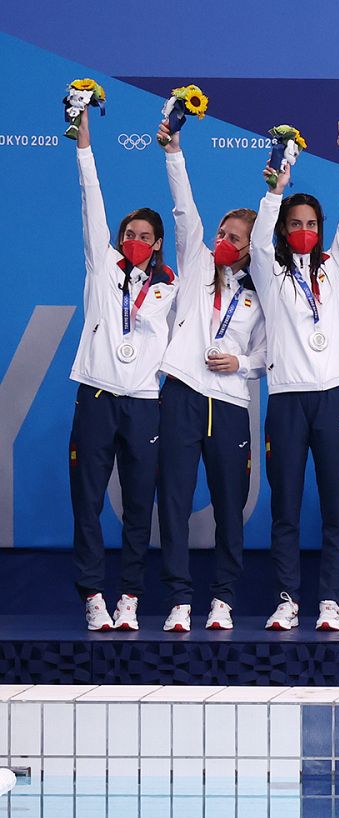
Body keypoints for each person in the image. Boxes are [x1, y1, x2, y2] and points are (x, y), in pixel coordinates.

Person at [250, 121, 339, 632]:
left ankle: (331, 601)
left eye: (311, 225)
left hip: (333, 398)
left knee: (337, 507)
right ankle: (287, 598)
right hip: (289, 402)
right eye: (295, 225)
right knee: (287, 508)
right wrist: (276, 188)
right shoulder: (270, 274)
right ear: (283, 229)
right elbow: (257, 239)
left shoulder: (332, 270)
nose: (304, 232)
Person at [155, 119, 267, 633]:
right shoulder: (196, 262)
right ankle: (179, 599)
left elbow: (269, 355)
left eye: (234, 238)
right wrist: (174, 151)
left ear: (249, 249)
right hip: (181, 392)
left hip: (229, 404)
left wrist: (240, 364)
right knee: (174, 499)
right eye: (221, 233)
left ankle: (223, 599)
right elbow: (183, 208)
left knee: (229, 505)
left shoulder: (259, 294)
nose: (222, 241)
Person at [68, 111, 176, 631]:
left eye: (144, 235)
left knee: (140, 504)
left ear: (157, 243)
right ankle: (93, 596)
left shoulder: (170, 288)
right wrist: (83, 140)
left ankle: (129, 596)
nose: (135, 240)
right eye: (128, 233)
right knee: (86, 501)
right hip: (95, 394)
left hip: (143, 403)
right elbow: (92, 197)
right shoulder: (102, 265)